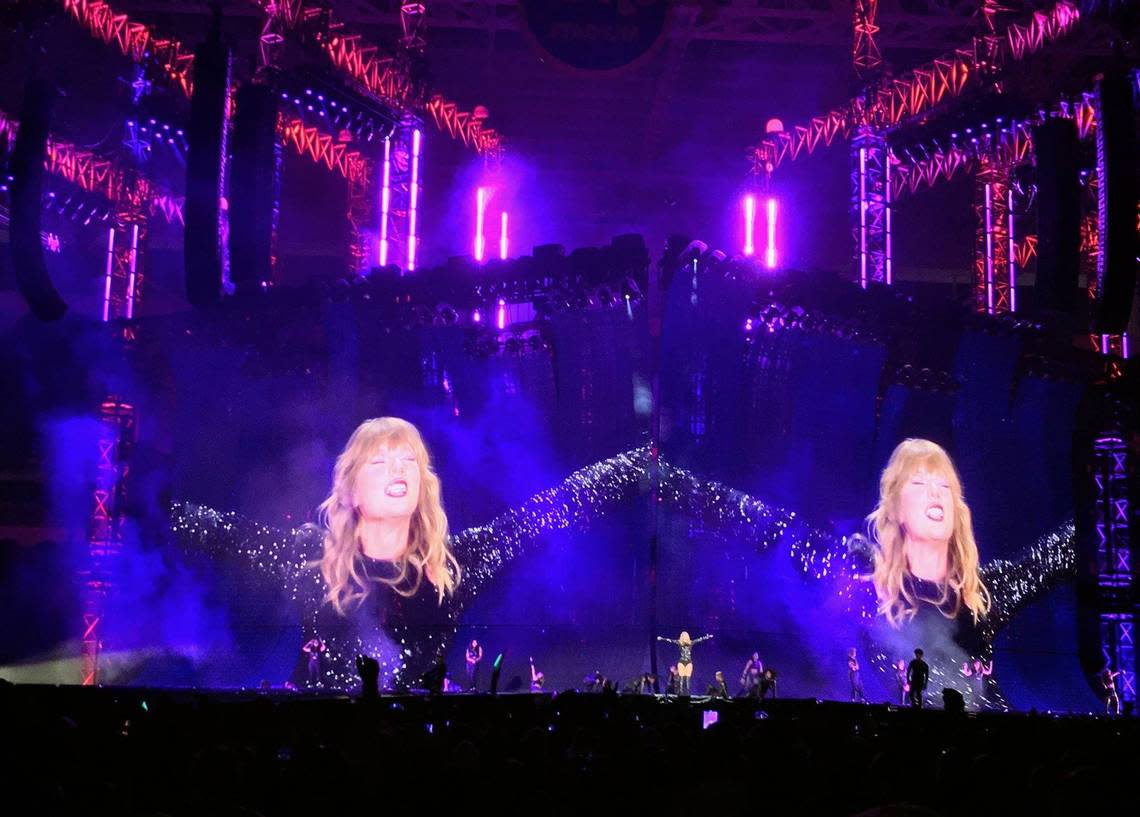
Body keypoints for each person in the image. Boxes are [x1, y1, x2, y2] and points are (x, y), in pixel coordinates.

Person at [169, 421, 648, 692]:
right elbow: (221, 532)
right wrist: (134, 497)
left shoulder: (453, 565)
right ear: (351, 490)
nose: (398, 469)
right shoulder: (310, 558)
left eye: (409, 461)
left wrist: (634, 463)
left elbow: (548, 510)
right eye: (380, 461)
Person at [657, 631, 713, 696]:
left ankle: (687, 693)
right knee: (682, 678)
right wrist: (662, 638)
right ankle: (681, 693)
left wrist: (707, 637)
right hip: (681, 662)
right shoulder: (679, 643)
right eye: (682, 635)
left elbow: (699, 640)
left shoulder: (691, 642)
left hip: (689, 662)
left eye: (685, 635)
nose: (684, 637)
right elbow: (670, 640)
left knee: (687, 679)